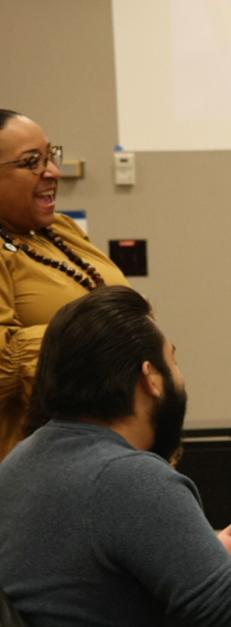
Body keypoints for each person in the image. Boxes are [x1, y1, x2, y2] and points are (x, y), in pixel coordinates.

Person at [0, 286, 231, 627]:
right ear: (151, 379)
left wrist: (197, 556)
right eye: (173, 360)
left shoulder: (17, 464)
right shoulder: (131, 478)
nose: (181, 377)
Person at [0, 109, 129, 461]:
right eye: (32, 162)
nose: (53, 172)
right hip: (38, 463)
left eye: (50, 156)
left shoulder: (61, 231)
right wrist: (97, 335)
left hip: (108, 446)